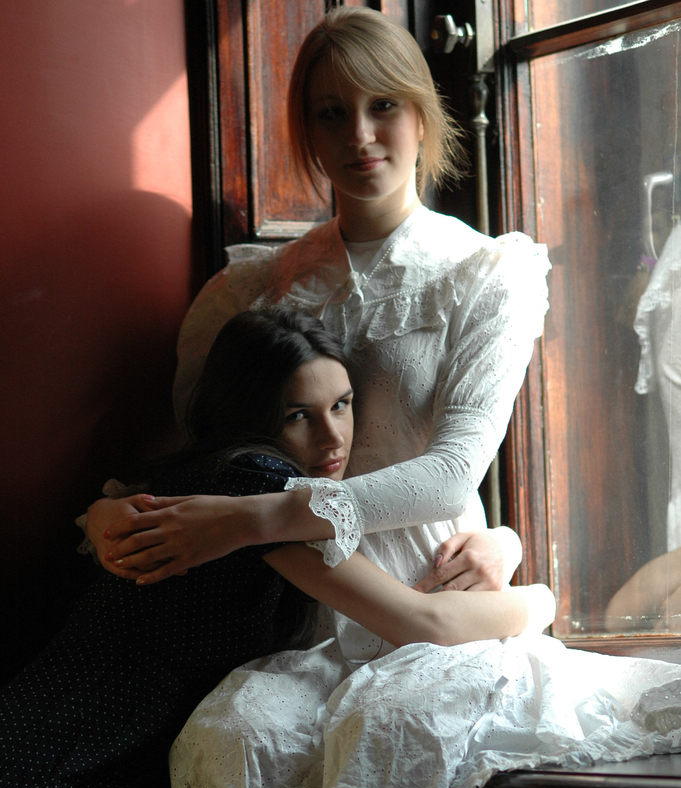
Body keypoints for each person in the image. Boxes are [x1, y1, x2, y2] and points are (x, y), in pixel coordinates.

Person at [1, 307, 554, 788]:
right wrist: (541, 598)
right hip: (52, 776)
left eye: (342, 405)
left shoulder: (192, 479)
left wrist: (504, 540)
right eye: (299, 416)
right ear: (253, 417)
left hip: (60, 755)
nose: (332, 439)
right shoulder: (256, 485)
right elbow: (425, 623)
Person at [87, 5, 549, 595]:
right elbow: (195, 456)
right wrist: (106, 513)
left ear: (421, 114)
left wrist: (506, 540)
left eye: (383, 105)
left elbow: (453, 474)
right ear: (307, 131)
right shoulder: (249, 289)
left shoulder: (487, 274)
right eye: (331, 113)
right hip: (276, 602)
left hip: (425, 594)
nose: (359, 135)